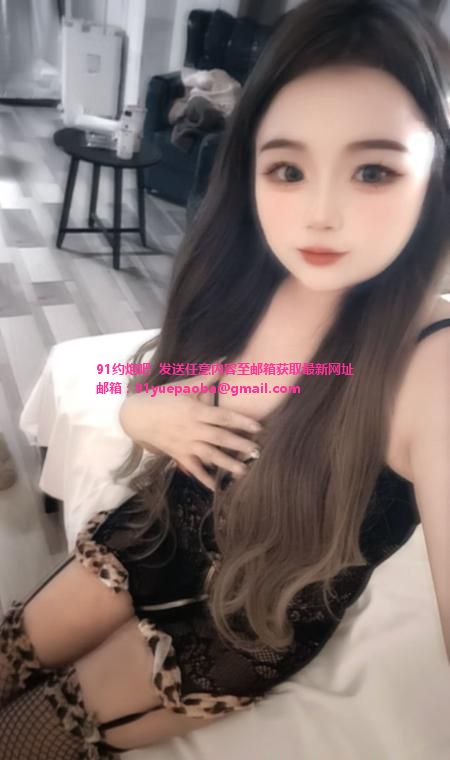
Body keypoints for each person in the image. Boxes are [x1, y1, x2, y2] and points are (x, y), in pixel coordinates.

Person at [1, 0, 450, 756]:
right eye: (288, 169)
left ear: (435, 171)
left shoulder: (431, 366)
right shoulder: (250, 282)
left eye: (373, 170)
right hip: (158, 532)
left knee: (22, 735)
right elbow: (144, 379)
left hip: (245, 620)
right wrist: (144, 414)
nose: (320, 214)